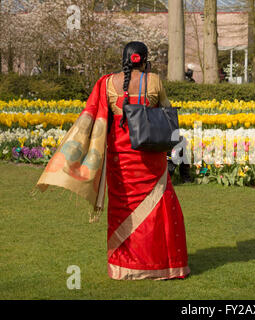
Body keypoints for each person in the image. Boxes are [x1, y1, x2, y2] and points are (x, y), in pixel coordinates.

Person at [36, 41, 190, 281]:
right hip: (151, 158)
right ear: (145, 58)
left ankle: (125, 266)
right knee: (159, 209)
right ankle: (160, 265)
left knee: (122, 209)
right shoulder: (155, 81)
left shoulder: (107, 83)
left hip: (121, 160)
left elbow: (100, 118)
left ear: (124, 58)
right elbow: (166, 110)